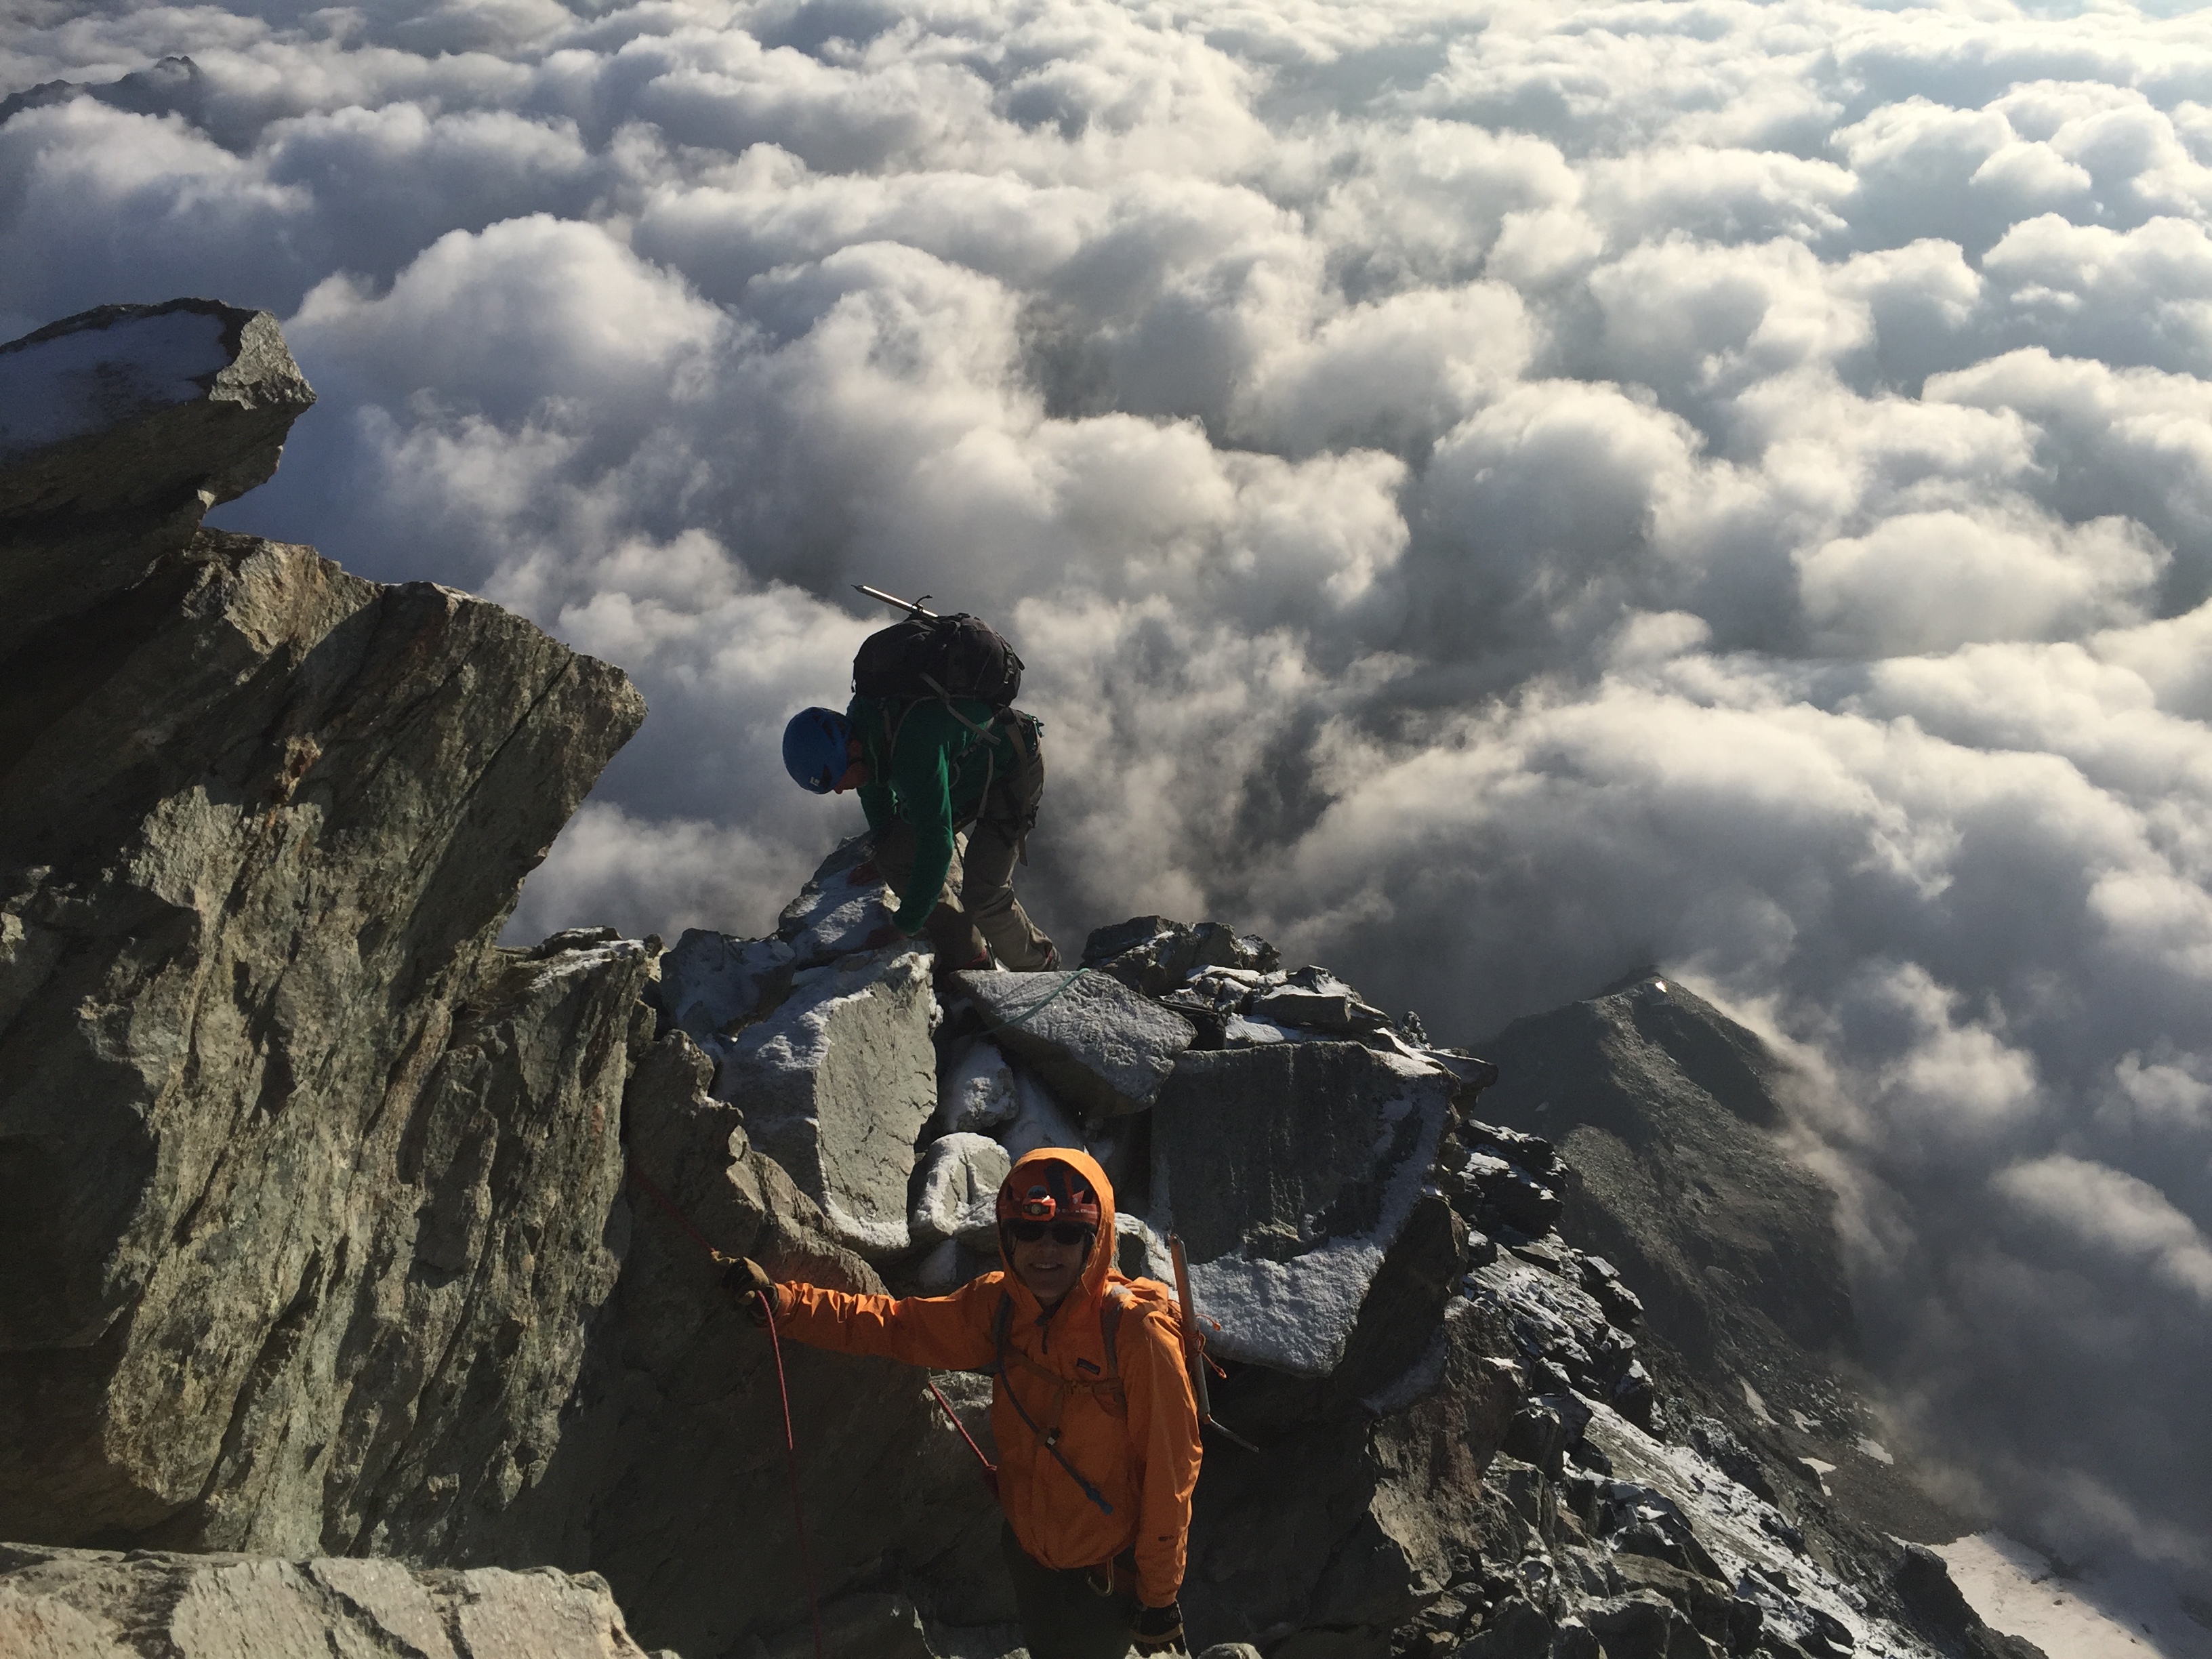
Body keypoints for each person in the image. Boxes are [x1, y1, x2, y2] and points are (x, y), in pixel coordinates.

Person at [725, 1149, 1200, 1659]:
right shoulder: (1000, 1307)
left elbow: (1171, 1474)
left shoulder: (1137, 1334)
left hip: (1104, 1579)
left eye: (1067, 1235)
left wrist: (1159, 1598)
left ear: (1096, 1242)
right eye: (1029, 1232)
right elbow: (895, 1327)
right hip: (1027, 1550)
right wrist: (787, 1305)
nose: (1047, 1250)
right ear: (1007, 1237)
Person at [782, 693, 1057, 970]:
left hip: (1012, 765)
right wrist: (884, 852)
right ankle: (971, 959)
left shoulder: (909, 748)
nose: (840, 790)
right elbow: (876, 799)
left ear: (853, 748)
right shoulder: (867, 736)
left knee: (983, 895)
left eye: (838, 780)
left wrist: (904, 925)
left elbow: (937, 844)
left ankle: (1040, 966)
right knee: (893, 855)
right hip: (963, 770)